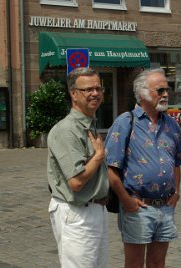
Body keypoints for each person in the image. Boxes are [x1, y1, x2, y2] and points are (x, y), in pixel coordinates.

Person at [105, 68, 181, 268]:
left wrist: (176, 193)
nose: (166, 94)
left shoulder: (172, 125)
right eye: (160, 90)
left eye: (167, 90)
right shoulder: (125, 122)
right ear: (142, 93)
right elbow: (110, 168)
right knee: (134, 264)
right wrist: (126, 200)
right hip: (137, 207)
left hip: (165, 206)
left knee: (158, 263)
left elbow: (177, 163)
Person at [47, 67, 109, 267]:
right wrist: (99, 156)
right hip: (77, 213)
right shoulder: (66, 130)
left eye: (98, 88)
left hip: (95, 209)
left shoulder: (89, 124)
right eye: (88, 89)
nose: (95, 94)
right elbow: (76, 181)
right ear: (73, 94)